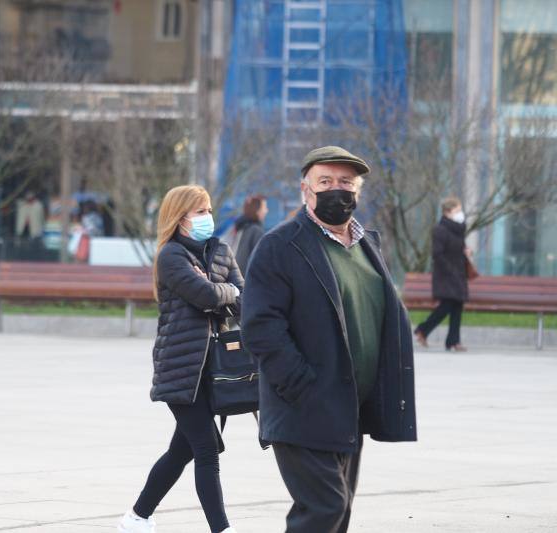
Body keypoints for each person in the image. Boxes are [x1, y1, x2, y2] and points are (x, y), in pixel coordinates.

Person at [241, 146, 417, 533]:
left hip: (350, 407)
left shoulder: (367, 245)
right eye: (325, 182)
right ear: (306, 189)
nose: (336, 190)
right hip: (303, 405)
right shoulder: (280, 246)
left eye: (346, 183)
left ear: (359, 191)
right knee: (323, 509)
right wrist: (301, 383)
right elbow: (259, 325)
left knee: (340, 512)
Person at [118, 185, 242, 533]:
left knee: (182, 450)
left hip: (213, 367)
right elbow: (203, 294)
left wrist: (225, 295)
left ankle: (137, 517)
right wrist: (226, 293)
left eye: (208, 210)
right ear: (180, 217)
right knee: (206, 450)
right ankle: (222, 529)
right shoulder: (171, 256)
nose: (207, 218)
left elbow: (245, 300)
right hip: (180, 365)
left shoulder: (220, 251)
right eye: (199, 212)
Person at [414, 197, 471, 351]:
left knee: (457, 305)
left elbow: (458, 248)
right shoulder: (440, 230)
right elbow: (437, 254)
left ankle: (452, 341)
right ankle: (424, 330)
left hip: (458, 272)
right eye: (457, 210)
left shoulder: (459, 229)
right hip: (446, 274)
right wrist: (450, 269)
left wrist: (466, 251)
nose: (460, 214)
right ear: (447, 212)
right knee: (447, 305)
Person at [231, 194, 268, 273]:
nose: (266, 211)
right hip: (248, 280)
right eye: (264, 208)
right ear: (257, 211)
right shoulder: (256, 231)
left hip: (236, 276)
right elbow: (261, 261)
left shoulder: (241, 227)